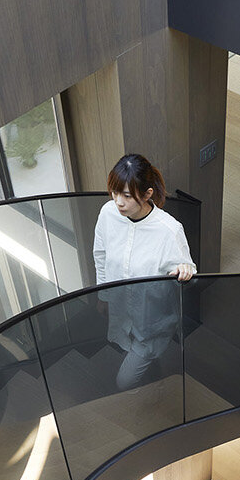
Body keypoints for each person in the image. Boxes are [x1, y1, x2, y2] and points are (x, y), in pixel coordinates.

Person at [93, 153, 197, 390]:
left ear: (148, 194)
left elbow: (188, 273)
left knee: (124, 382)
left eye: (127, 195)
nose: (118, 201)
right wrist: (103, 295)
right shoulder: (108, 214)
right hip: (121, 310)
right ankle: (153, 379)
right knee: (132, 352)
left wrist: (185, 271)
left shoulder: (169, 230)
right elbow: (100, 255)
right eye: (115, 192)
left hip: (152, 320)